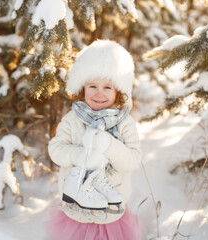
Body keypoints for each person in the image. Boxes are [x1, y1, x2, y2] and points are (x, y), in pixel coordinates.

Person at [46, 39, 142, 240]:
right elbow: (56, 149)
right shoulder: (73, 119)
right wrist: (80, 155)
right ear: (83, 88)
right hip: (75, 212)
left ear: (119, 91)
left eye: (107, 87)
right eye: (93, 86)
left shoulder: (125, 123)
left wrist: (108, 145)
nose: (99, 93)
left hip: (110, 214)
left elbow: (132, 160)